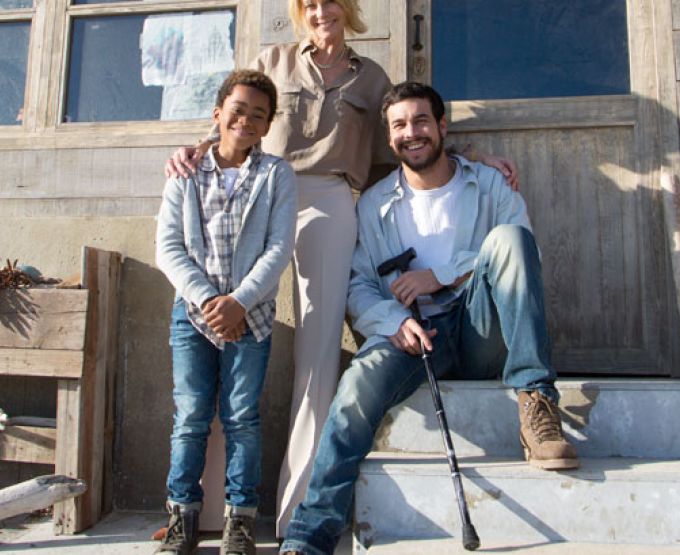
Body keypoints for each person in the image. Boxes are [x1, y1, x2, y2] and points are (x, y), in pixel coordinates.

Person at [164, 0, 519, 538]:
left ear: (346, 9)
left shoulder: (371, 76)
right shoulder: (274, 60)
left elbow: (405, 138)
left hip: (331, 199)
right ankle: (203, 510)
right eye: (308, 2)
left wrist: (471, 155)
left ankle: (295, 507)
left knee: (319, 348)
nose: (319, 10)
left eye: (330, 0)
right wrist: (194, 148)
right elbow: (236, 122)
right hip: (260, 191)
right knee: (217, 326)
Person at [278, 82, 578, 555]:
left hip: (483, 328)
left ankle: (536, 401)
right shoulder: (374, 204)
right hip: (413, 337)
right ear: (390, 135)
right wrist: (391, 321)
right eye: (399, 125)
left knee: (511, 240)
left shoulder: (489, 183)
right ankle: (311, 530)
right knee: (355, 387)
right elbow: (357, 285)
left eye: (421, 121)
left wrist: (440, 275)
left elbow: (524, 255)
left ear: (442, 127)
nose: (410, 133)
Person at [154, 69, 297, 555]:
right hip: (192, 317)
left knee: (241, 416)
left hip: (250, 317)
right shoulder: (186, 172)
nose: (247, 120)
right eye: (238, 110)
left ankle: (240, 521)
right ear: (218, 114)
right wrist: (209, 300)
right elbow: (168, 247)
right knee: (191, 415)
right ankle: (182, 517)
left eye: (260, 114)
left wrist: (239, 302)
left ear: (269, 124)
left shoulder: (277, 175)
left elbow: (279, 247)